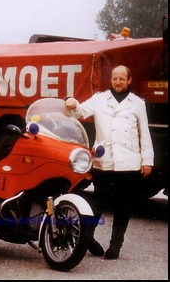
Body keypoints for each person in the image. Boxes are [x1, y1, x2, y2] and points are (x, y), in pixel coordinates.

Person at [65, 65, 154, 260]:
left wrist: (147, 161)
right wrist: (71, 102)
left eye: (122, 79)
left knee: (124, 207)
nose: (117, 82)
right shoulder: (99, 99)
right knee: (97, 205)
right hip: (104, 162)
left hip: (129, 163)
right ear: (111, 80)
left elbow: (144, 133)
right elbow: (79, 112)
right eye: (114, 78)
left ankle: (115, 247)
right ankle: (86, 239)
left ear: (129, 80)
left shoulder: (137, 103)